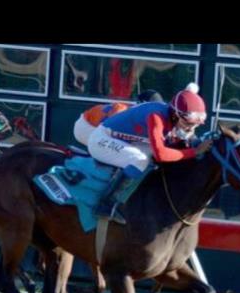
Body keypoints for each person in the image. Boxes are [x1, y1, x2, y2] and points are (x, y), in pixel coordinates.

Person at [87, 83, 213, 224]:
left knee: (151, 158)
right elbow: (161, 154)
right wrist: (194, 151)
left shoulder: (173, 116)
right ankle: (105, 205)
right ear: (175, 115)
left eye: (194, 125)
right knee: (139, 160)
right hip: (101, 140)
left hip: (127, 140)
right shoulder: (156, 116)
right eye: (188, 124)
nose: (191, 129)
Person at [73, 90, 164, 145]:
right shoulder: (122, 111)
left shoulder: (135, 112)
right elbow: (106, 129)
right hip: (85, 126)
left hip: (93, 124)